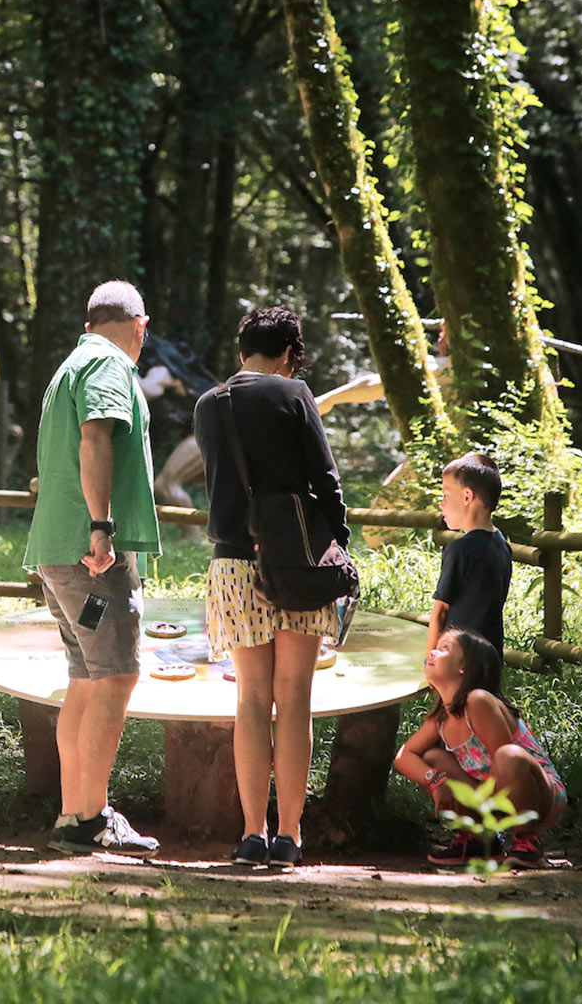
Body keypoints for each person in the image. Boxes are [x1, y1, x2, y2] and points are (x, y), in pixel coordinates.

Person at [192, 306, 348, 870]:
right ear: (288, 354)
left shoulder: (209, 405)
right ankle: (289, 834)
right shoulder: (294, 394)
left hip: (234, 564)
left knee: (251, 700)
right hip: (298, 566)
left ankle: (251, 833)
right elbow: (326, 480)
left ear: (241, 353)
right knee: (296, 700)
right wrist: (340, 549)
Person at [25, 280, 162, 855]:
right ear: (140, 326)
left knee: (85, 678)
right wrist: (102, 527)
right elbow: (94, 438)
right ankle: (91, 818)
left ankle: (73, 815)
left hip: (57, 550)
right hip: (89, 555)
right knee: (116, 675)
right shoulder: (108, 365)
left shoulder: (73, 363)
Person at [394, 627, 567, 868]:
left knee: (507, 756)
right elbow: (404, 756)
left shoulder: (478, 701)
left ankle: (527, 838)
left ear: (464, 668)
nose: (432, 652)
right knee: (433, 758)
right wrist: (435, 781)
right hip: (492, 794)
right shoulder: (442, 717)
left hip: (537, 795)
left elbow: (507, 764)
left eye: (444, 649)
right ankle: (480, 842)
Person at [428, 453, 511, 658]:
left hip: (457, 660)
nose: (441, 503)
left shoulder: (460, 550)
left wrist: (429, 660)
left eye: (446, 495)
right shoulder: (502, 546)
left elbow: (440, 612)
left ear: (467, 496)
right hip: (490, 659)